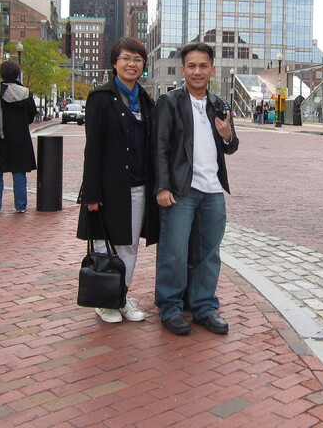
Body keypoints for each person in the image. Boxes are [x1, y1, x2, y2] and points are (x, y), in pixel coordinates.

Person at [153, 42, 239, 335]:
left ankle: (203, 306)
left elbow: (231, 146)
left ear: (212, 69)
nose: (197, 71)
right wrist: (162, 186)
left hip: (213, 191)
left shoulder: (219, 104)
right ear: (183, 70)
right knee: (174, 252)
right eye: (191, 66)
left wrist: (227, 135)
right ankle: (170, 307)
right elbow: (159, 148)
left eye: (203, 66)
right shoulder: (170, 102)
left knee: (209, 253)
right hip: (181, 190)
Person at [77, 37, 160, 323]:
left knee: (128, 245)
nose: (131, 64)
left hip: (138, 186)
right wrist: (91, 192)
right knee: (104, 244)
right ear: (114, 63)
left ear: (143, 65)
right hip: (107, 187)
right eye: (126, 58)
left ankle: (121, 296)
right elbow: (92, 148)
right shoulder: (100, 98)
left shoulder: (146, 101)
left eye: (137, 59)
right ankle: (105, 301)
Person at [0, 60, 37, 213]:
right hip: (20, 138)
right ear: (17, 74)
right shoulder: (25, 93)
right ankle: (21, 206)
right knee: (19, 171)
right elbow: (31, 114)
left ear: (1, 73)